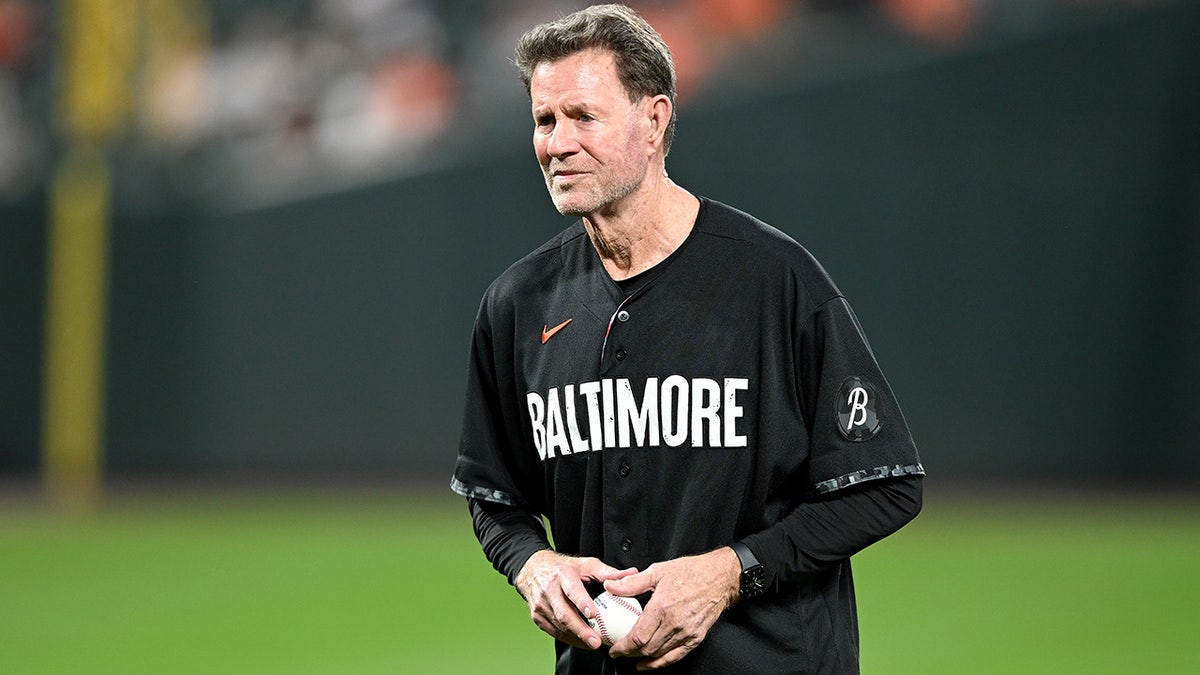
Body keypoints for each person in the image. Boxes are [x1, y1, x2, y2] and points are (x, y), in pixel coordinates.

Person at [450, 4, 924, 673]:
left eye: (583, 116)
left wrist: (734, 570)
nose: (556, 142)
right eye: (544, 119)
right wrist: (532, 564)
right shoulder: (518, 303)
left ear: (654, 120)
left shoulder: (774, 281)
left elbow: (883, 486)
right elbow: (493, 494)